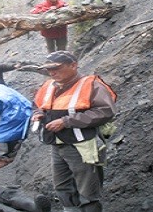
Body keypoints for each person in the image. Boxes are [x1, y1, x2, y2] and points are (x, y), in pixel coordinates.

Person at [32, 51, 117, 212]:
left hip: (82, 145)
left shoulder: (91, 85)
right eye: (49, 69)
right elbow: (37, 104)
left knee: (88, 189)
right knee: (62, 186)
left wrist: (66, 121)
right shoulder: (49, 85)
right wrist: (37, 114)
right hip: (57, 144)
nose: (52, 72)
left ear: (73, 65)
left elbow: (105, 111)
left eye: (56, 68)